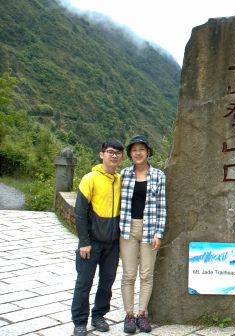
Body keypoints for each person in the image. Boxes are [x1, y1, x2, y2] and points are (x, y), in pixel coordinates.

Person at [71, 139, 124, 336]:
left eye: (118, 153)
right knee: (84, 282)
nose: (114, 155)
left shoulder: (120, 180)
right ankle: (79, 321)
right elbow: (79, 212)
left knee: (107, 282)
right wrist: (84, 242)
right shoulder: (90, 178)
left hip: (112, 243)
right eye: (110, 152)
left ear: (121, 157)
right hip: (91, 242)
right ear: (102, 154)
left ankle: (99, 315)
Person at [119, 135, 166, 334]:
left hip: (150, 229)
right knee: (129, 274)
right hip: (127, 229)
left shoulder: (158, 176)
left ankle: (142, 314)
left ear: (148, 152)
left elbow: (162, 206)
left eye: (141, 149)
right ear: (130, 154)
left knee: (146, 274)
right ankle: (129, 315)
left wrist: (159, 233)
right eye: (134, 150)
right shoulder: (124, 174)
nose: (138, 153)